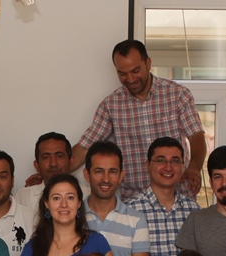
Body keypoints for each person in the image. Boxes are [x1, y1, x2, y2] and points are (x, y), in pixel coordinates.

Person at [73, 39, 207, 199]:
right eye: (122, 74)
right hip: (135, 202)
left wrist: (194, 167)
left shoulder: (178, 95)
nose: (130, 79)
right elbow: (84, 148)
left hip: (178, 198)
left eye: (135, 71)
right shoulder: (111, 105)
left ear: (148, 63)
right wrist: (51, 173)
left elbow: (196, 137)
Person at [126, 137, 200, 256]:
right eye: (161, 160)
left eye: (175, 161)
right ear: (147, 165)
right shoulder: (129, 211)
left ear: (182, 166)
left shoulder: (194, 212)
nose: (168, 167)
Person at [83, 141, 150, 256]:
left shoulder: (136, 221)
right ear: (87, 175)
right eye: (99, 171)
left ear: (121, 175)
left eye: (112, 171)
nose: (106, 179)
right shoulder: (73, 218)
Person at [14, 132, 72, 218]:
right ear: (36, 165)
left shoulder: (86, 194)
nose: (53, 164)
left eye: (59, 156)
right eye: (46, 157)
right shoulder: (23, 197)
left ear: (71, 162)